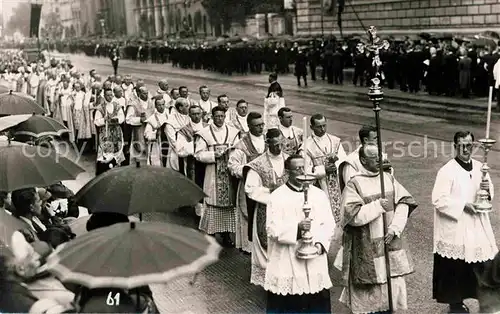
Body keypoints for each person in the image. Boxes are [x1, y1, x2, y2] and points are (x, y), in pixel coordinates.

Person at [338, 144, 418, 314]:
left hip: (390, 241)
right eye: (373, 157)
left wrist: (395, 228)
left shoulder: (388, 178)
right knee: (370, 294)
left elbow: (404, 201)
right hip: (366, 247)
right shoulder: (355, 184)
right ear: (363, 160)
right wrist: (377, 206)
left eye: (379, 156)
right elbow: (352, 217)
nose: (378, 160)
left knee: (393, 288)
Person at [432, 131, 497, 313]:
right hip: (456, 226)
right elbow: (438, 199)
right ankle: (456, 304)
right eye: (461, 145)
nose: (466, 149)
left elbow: (488, 192)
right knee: (456, 268)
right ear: (455, 147)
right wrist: (463, 206)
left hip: (476, 225)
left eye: (469, 145)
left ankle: (488, 302)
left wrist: (486, 191)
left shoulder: (479, 167)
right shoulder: (446, 171)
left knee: (482, 266)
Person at [265, 154, 334, 313]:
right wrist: (297, 228)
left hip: (314, 259)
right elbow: (272, 228)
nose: (303, 172)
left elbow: (329, 224)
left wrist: (320, 245)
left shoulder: (318, 194)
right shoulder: (277, 196)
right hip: (287, 259)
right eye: (297, 169)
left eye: (304, 168)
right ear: (287, 171)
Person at [244, 128, 289, 287]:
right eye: (274, 145)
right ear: (267, 143)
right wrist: (271, 192)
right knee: (268, 247)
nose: (278, 148)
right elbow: (250, 189)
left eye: (280, 144)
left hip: (288, 211)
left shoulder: (290, 160)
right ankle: (268, 282)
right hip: (266, 210)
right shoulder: (258, 164)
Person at [195, 106, 240, 247]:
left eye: (222, 116)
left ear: (225, 116)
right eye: (217, 116)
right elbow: (198, 154)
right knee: (213, 203)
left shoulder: (233, 132)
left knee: (229, 205)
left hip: (229, 174)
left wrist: (231, 155)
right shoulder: (204, 133)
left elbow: (239, 150)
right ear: (212, 117)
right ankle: (211, 234)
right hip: (213, 172)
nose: (220, 119)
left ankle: (227, 235)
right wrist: (213, 155)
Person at [228, 112, 266, 253]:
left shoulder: (268, 141)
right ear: (249, 126)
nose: (261, 128)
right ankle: (249, 247)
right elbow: (232, 166)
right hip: (248, 186)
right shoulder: (241, 146)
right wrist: (248, 170)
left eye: (262, 124)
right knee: (248, 216)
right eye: (257, 125)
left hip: (267, 186)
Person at [301, 114, 346, 224]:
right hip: (320, 185)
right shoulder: (306, 146)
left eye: (324, 126)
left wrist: (335, 165)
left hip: (337, 183)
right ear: (311, 127)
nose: (322, 129)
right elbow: (306, 169)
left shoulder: (335, 141)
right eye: (319, 126)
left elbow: (344, 160)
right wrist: (324, 169)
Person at [94, 89, 125, 175]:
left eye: (111, 95)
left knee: (117, 150)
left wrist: (117, 119)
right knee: (106, 152)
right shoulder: (100, 107)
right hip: (105, 133)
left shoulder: (117, 106)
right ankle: (104, 171)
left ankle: (117, 170)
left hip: (116, 132)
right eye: (108, 95)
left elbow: (122, 118)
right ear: (104, 96)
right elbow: (96, 121)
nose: (110, 97)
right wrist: (104, 120)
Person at [144, 97, 168, 166]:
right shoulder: (152, 119)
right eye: (159, 105)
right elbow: (146, 134)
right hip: (157, 145)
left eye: (163, 104)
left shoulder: (169, 115)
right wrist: (155, 134)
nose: (161, 107)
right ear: (156, 106)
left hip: (168, 144)